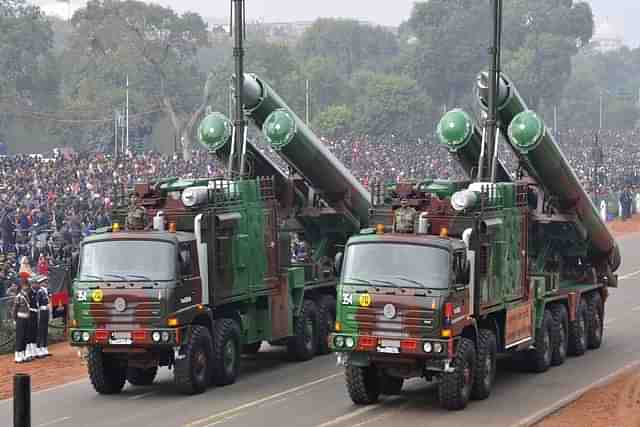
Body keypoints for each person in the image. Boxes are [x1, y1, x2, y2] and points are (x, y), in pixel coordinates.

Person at [13, 273, 31, 363]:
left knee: (25, 337)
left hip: (26, 318)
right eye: (24, 286)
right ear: (21, 287)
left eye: (27, 286)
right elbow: (15, 309)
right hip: (20, 318)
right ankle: (17, 355)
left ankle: (23, 354)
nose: (26, 287)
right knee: (19, 337)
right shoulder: (19, 297)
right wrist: (15, 320)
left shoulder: (26, 296)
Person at [36, 276, 51, 357]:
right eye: (44, 282)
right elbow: (37, 303)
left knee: (45, 330)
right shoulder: (40, 292)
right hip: (41, 311)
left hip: (46, 311)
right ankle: (38, 348)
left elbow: (49, 302)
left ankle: (45, 348)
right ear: (41, 283)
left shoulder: (47, 291)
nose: (46, 283)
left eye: (46, 281)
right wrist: (38, 314)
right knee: (40, 331)